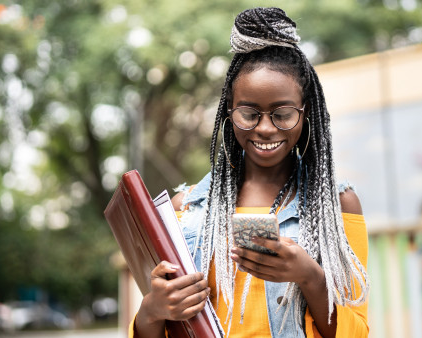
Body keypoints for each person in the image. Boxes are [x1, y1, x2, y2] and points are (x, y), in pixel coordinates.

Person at [131, 7, 370, 337]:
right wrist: (151, 311)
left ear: (306, 112)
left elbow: (357, 331)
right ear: (230, 112)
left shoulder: (337, 205)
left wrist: (310, 277)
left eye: (283, 114)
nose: (266, 129)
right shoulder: (185, 209)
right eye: (249, 113)